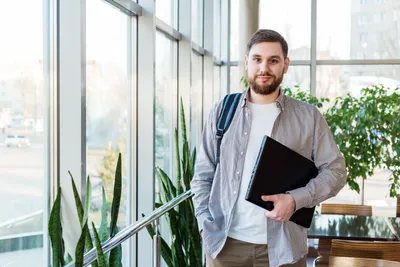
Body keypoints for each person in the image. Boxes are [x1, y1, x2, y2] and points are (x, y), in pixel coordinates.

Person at [191, 29, 347, 267]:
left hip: (284, 249)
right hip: (225, 247)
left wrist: (295, 201)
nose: (264, 68)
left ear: (285, 65)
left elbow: (336, 171)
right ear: (246, 63)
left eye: (273, 60)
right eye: (257, 59)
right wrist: (204, 225)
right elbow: (203, 176)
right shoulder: (222, 111)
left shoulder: (309, 117)